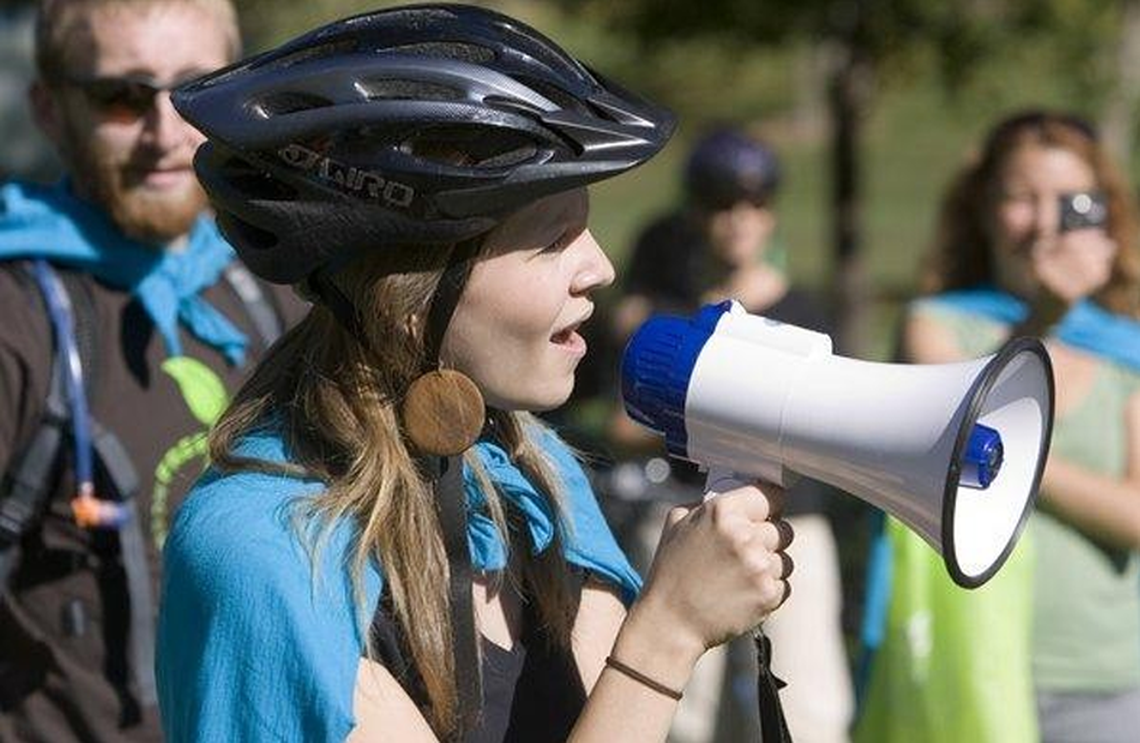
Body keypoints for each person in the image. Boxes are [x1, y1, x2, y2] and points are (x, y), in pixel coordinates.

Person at [156, 5, 796, 742]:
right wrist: (670, 632)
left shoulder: (532, 471)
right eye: (553, 238)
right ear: (411, 293)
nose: (600, 268)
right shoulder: (264, 553)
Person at [0, 1, 305, 741]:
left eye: (195, 92)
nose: (165, 134)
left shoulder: (280, 282)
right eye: (120, 97)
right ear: (49, 107)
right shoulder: (19, 319)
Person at [856, 110, 1140, 743]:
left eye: (1070, 201)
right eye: (1020, 198)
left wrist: (1007, 463)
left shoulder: (1128, 350)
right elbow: (949, 442)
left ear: (1105, 216)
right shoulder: (937, 325)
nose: (1044, 223)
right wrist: (1042, 316)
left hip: (1101, 674)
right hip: (961, 665)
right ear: (983, 210)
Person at [604, 126, 854, 743]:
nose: (739, 219)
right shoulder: (671, 313)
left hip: (792, 526)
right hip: (686, 516)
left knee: (808, 708)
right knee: (684, 712)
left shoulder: (806, 313)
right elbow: (618, 423)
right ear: (694, 212)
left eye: (756, 203)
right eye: (720, 203)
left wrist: (703, 418)